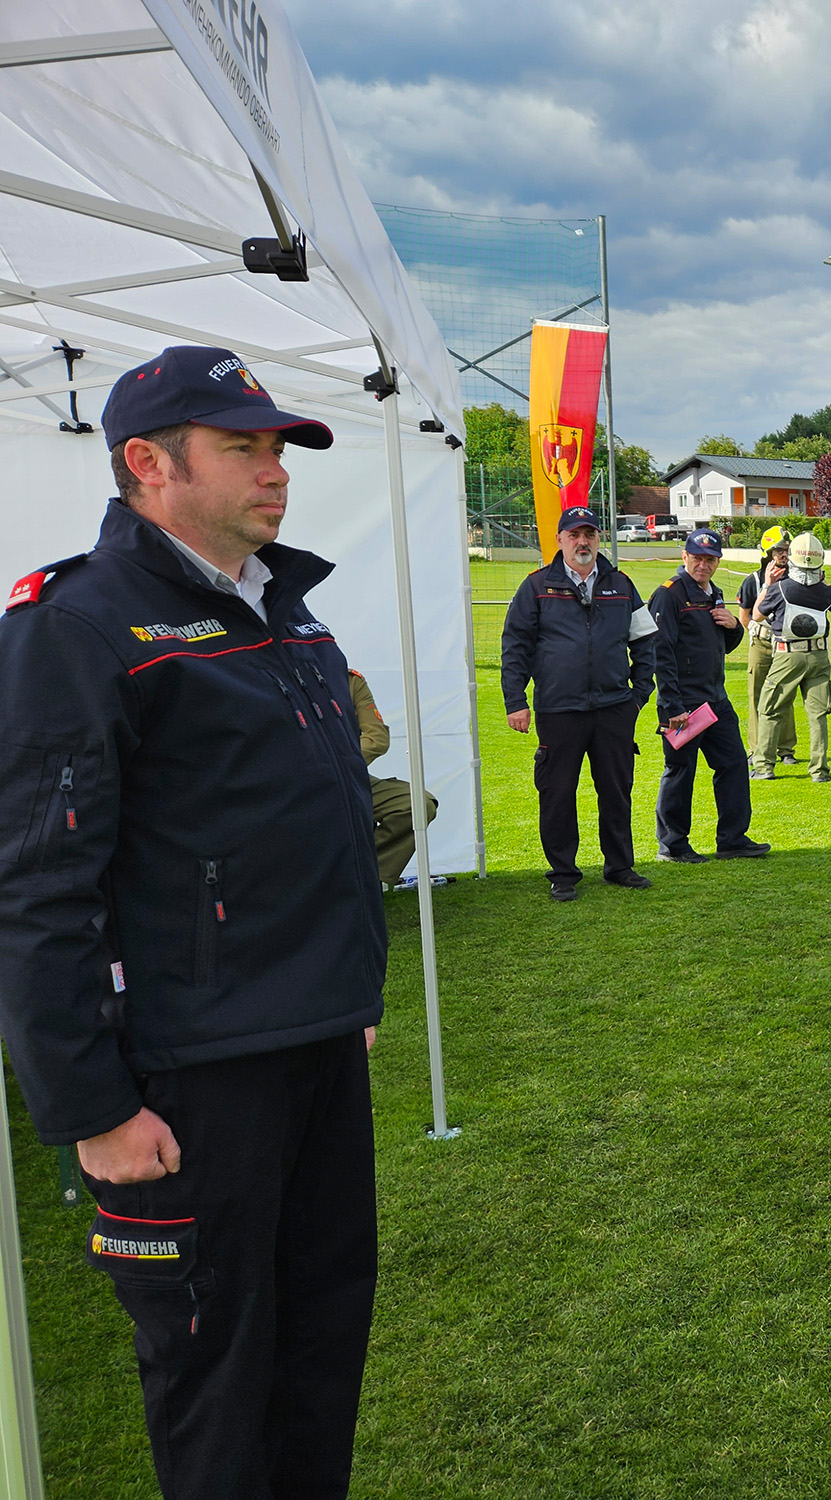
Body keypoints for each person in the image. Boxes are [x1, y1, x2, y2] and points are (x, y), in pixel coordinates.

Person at [0, 344, 382, 1496]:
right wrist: (92, 1109)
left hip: (312, 1038)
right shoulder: (77, 627)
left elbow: (312, 821)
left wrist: (346, 991)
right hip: (191, 1075)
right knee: (217, 1376)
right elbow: (35, 889)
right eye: (242, 448)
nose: (276, 471)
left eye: (279, 448)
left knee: (321, 1344)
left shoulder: (283, 608)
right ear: (149, 464)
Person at [501, 506, 657, 901]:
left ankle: (620, 867)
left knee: (617, 792)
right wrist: (516, 700)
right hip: (559, 710)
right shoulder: (536, 586)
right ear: (560, 540)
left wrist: (638, 695)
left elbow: (645, 642)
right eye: (574, 535)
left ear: (599, 539)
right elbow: (515, 647)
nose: (582, 542)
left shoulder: (622, 584)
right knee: (557, 793)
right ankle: (563, 874)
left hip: (613, 709)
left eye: (589, 534)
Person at [651, 527, 769, 863]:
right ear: (684, 556)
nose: (703, 565)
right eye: (697, 558)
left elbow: (723, 645)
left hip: (715, 700)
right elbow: (660, 653)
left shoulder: (712, 592)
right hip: (683, 705)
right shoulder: (669, 595)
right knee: (680, 771)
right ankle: (672, 845)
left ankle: (732, 840)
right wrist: (671, 705)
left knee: (733, 764)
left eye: (710, 559)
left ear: (718, 561)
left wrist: (734, 627)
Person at [751, 532, 831, 782]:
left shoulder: (780, 588)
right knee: (818, 715)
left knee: (771, 709)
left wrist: (767, 585)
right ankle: (819, 770)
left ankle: (764, 766)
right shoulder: (826, 591)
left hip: (788, 654)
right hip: (819, 655)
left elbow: (757, 614)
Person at [348, 668, 440, 887]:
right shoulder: (275, 680)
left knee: (417, 805)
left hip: (346, 773)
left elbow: (376, 737)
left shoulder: (348, 681)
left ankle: (365, 879)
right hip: (294, 781)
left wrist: (333, 764)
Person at [740, 526, 799, 767]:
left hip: (785, 642)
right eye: (778, 549)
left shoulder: (794, 579)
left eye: (786, 549)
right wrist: (757, 633)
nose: (783, 554)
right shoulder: (752, 581)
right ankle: (756, 748)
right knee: (756, 695)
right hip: (761, 642)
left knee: (784, 694)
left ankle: (786, 749)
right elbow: (744, 616)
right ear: (767, 552)